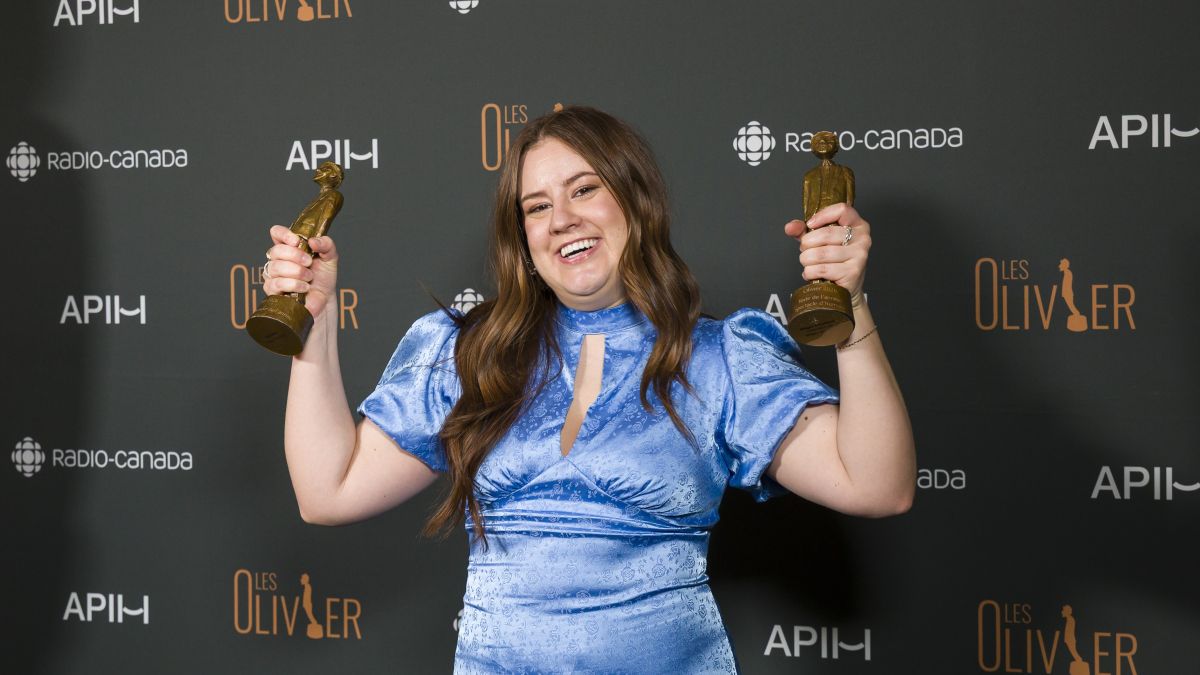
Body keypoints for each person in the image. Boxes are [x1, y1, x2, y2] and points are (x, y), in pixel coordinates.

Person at [261, 106, 915, 673]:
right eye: (537, 206)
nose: (562, 219)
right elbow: (328, 490)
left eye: (584, 190)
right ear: (522, 236)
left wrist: (850, 317)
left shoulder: (718, 358)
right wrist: (311, 325)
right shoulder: (468, 353)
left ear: (634, 199)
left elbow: (877, 484)